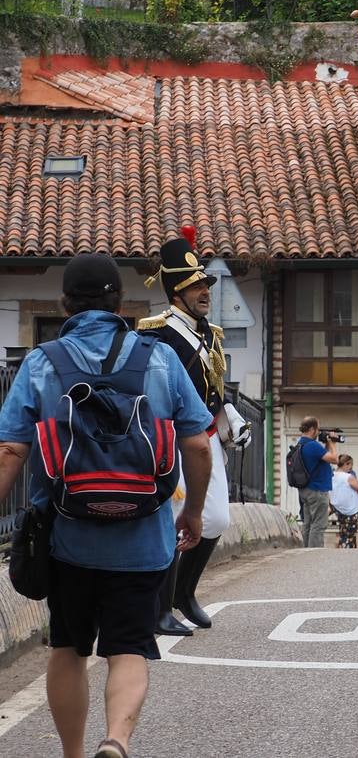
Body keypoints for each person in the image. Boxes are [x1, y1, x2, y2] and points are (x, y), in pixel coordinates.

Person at [0, 253, 213, 758]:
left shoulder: (41, 362)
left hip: (66, 541)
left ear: (66, 303)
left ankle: (74, 754)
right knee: (129, 649)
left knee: (68, 648)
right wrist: (195, 511)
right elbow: (200, 446)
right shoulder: (158, 357)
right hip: (143, 542)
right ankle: (116, 740)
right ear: (120, 301)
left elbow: (10, 451)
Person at [138, 227, 241, 635]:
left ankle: (183, 594)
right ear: (175, 292)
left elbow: (212, 389)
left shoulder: (209, 335)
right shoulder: (155, 332)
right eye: (195, 286)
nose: (205, 292)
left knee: (215, 519)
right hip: (169, 440)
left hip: (205, 437)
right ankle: (159, 608)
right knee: (172, 520)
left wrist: (230, 413)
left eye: (205, 285)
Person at [296, 417, 339, 547]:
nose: (319, 432)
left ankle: (305, 552)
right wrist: (332, 443)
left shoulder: (301, 444)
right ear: (312, 429)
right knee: (319, 524)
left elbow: (323, 457)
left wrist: (326, 444)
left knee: (308, 524)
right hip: (317, 490)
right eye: (318, 429)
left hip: (306, 490)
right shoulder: (312, 445)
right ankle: (315, 554)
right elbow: (334, 459)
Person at [330, 454, 358, 548]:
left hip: (338, 507)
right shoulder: (348, 477)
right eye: (350, 465)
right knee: (350, 533)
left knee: (343, 530)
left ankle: (343, 547)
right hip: (350, 508)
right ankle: (347, 550)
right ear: (346, 464)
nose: (351, 467)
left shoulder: (332, 475)